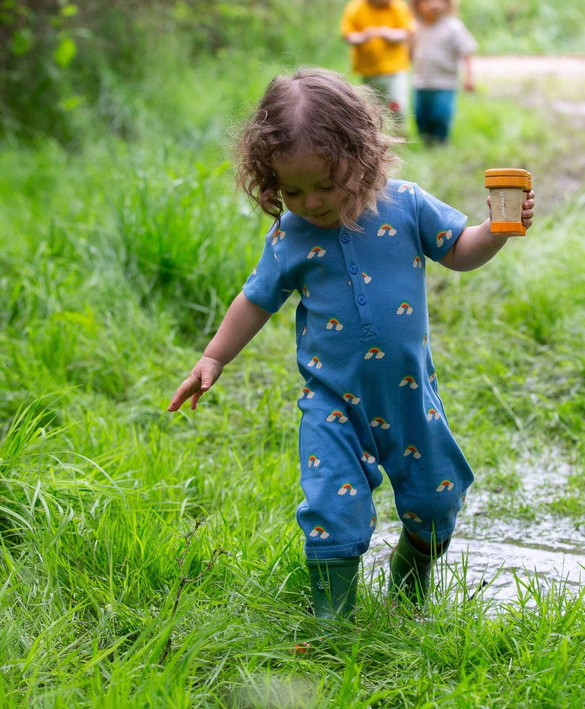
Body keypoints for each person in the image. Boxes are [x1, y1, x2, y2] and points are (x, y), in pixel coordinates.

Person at [167, 68, 535, 627]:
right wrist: (213, 357)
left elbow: (460, 250)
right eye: (292, 189)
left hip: (408, 397)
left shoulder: (406, 205)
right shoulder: (291, 234)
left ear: (361, 155)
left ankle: (410, 585)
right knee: (331, 511)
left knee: (435, 507)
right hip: (332, 402)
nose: (310, 201)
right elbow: (256, 299)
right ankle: (331, 623)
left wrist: (497, 230)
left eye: (326, 182)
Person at [409, 0, 477, 144]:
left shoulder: (453, 27)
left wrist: (469, 77)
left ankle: (440, 142)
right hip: (421, 83)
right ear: (417, 4)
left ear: (448, 1)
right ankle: (426, 142)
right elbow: (410, 51)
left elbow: (467, 51)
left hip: (445, 84)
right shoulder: (415, 26)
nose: (433, 4)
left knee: (440, 115)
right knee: (420, 116)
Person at [340, 0, 415, 122]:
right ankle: (380, 136)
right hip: (369, 70)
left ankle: (399, 132)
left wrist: (390, 34)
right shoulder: (355, 8)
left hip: (395, 69)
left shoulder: (397, 6)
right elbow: (348, 36)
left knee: (397, 105)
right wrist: (363, 37)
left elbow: (407, 32)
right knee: (375, 108)